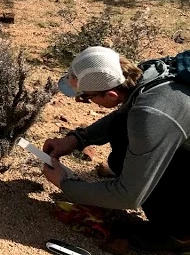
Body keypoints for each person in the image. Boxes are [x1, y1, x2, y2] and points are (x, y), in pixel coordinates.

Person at [41, 46, 190, 253]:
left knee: (130, 155)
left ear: (111, 95)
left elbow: (128, 196)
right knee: (123, 139)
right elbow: (122, 116)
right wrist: (76, 139)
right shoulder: (148, 73)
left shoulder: (152, 113)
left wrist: (64, 184)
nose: (81, 101)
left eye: (85, 97)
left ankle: (180, 236)